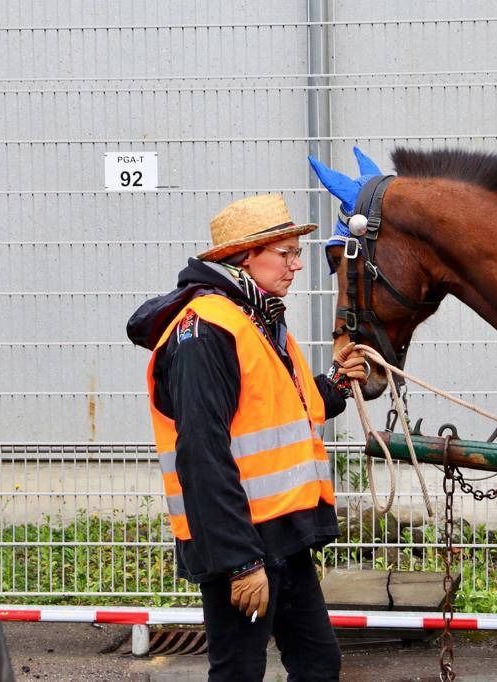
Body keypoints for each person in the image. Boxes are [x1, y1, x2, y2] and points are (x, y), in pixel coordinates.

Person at [127, 194, 365, 681]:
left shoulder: (257, 318)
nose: (298, 265)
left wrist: (335, 386)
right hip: (242, 545)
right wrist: (240, 564)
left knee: (319, 664)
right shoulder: (205, 332)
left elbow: (282, 409)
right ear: (244, 257)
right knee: (238, 671)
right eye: (287, 253)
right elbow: (202, 454)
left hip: (284, 537)